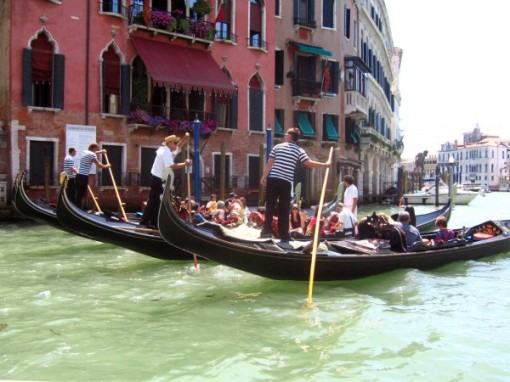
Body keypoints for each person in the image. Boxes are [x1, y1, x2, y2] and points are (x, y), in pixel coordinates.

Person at [259, 127, 331, 242]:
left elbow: (270, 163)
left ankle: (265, 232)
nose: (284, 136)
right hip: (286, 182)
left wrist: (264, 177)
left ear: (289, 137)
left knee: (270, 206)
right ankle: (284, 235)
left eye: (286, 134)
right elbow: (308, 163)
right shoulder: (299, 150)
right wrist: (324, 165)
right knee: (284, 209)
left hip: (273, 179)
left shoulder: (277, 147)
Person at [139, 134, 191, 228]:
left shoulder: (166, 149)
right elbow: (171, 166)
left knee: (154, 199)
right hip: (158, 178)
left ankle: (146, 220)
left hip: (158, 177)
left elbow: (178, 147)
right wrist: (185, 164)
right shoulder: (166, 153)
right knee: (156, 200)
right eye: (174, 143)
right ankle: (151, 222)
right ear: (169, 143)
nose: (176, 144)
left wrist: (185, 139)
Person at [75, 142, 111, 210]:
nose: (97, 149)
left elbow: (94, 153)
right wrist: (107, 166)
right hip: (83, 176)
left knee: (78, 193)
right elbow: (99, 165)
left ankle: (77, 207)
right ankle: (79, 209)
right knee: (82, 193)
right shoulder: (92, 155)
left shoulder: (85, 152)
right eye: (96, 148)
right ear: (94, 148)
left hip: (78, 175)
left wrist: (101, 152)